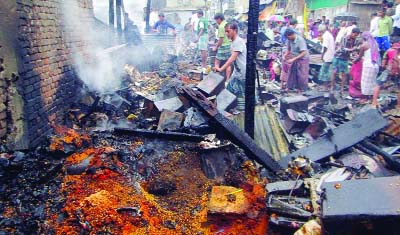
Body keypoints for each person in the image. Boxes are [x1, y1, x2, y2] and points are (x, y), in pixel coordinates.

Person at [215, 23, 247, 100]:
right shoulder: (233, 42)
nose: (226, 34)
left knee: (241, 95)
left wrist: (221, 69)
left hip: (242, 73)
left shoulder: (238, 42)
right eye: (225, 31)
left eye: (228, 31)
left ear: (235, 31)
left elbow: (232, 58)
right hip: (237, 72)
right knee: (230, 91)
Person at [330, 27, 361, 95]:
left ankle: (341, 89)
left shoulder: (355, 40)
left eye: (357, 35)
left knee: (344, 74)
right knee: (334, 72)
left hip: (345, 58)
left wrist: (355, 53)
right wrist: (353, 49)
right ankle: (332, 87)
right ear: (352, 33)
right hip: (338, 57)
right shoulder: (344, 38)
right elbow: (343, 49)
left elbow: (354, 50)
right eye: (355, 35)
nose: (356, 36)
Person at [372, 39, 400, 108]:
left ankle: (374, 103)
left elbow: (383, 62)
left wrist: (384, 67)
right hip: (398, 71)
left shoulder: (389, 50)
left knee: (378, 84)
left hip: (389, 69)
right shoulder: (397, 51)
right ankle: (399, 105)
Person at [357, 32, 380, 97]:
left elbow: (359, 57)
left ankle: (366, 97)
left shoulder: (364, 45)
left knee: (365, 82)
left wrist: (354, 61)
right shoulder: (375, 44)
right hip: (375, 65)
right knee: (373, 82)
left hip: (368, 66)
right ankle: (372, 97)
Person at [213, 13, 232, 81]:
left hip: (223, 46)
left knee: (217, 61)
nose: (216, 22)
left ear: (219, 19)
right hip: (229, 45)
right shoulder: (227, 24)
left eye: (216, 20)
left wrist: (216, 47)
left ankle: (216, 79)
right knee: (228, 63)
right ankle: (227, 80)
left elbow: (220, 40)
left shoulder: (221, 26)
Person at [318, 25, 335, 89]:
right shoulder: (328, 34)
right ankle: (328, 86)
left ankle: (325, 87)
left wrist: (322, 55)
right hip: (330, 55)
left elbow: (325, 47)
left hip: (327, 55)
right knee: (328, 71)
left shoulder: (325, 35)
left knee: (325, 72)